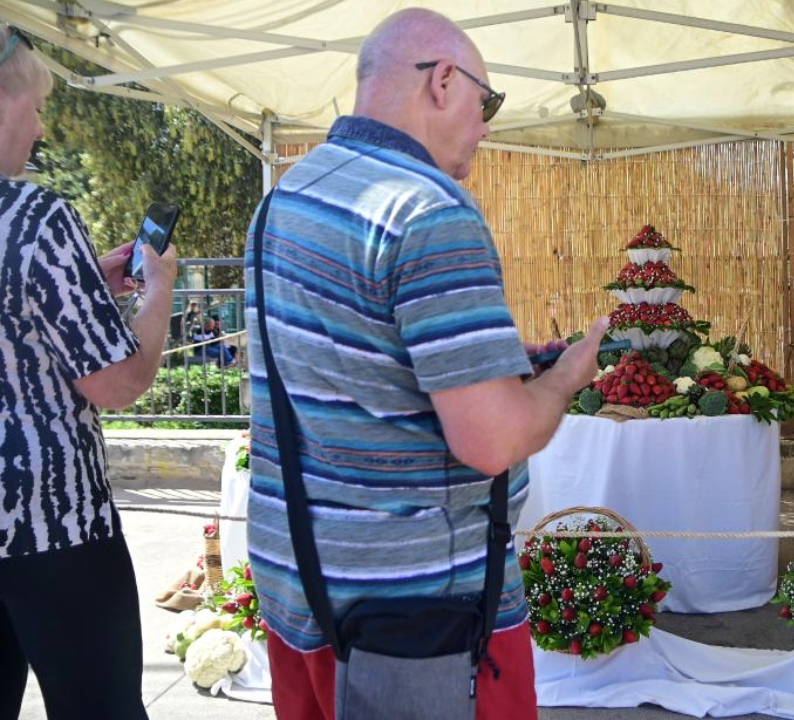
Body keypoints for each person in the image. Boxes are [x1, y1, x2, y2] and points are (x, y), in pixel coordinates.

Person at [244, 8, 604, 719]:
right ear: (443, 82)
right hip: (421, 619)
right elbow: (492, 441)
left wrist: (497, 367)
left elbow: (349, 363)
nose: (487, 124)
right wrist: (565, 378)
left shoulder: (286, 192)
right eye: (486, 101)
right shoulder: (429, 210)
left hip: (299, 587)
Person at [0, 24, 177, 720]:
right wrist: (156, 291)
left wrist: (81, 286)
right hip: (54, 529)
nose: (41, 128)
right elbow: (117, 382)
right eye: (35, 105)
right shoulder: (34, 216)